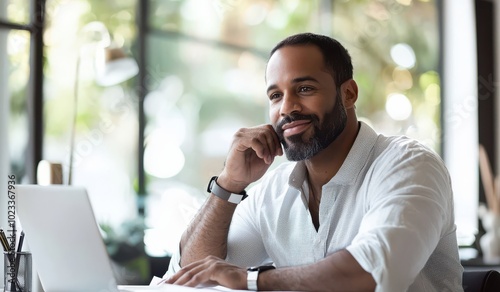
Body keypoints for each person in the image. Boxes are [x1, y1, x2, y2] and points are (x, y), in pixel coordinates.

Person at [163, 32, 464, 291]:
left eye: (304, 89)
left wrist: (252, 281)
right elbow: (195, 273)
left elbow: (371, 275)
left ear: (348, 93)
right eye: (275, 96)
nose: (287, 108)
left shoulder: (409, 166)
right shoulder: (273, 191)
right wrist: (229, 183)